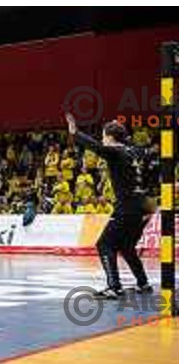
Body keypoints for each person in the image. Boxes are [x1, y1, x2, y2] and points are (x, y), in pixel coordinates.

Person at [66, 113, 152, 297]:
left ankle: (114, 287)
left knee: (104, 244)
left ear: (110, 137)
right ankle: (143, 284)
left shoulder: (116, 152)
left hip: (127, 208)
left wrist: (75, 133)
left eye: (104, 135)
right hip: (142, 207)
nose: (102, 139)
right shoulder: (130, 151)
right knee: (126, 247)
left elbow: (96, 147)